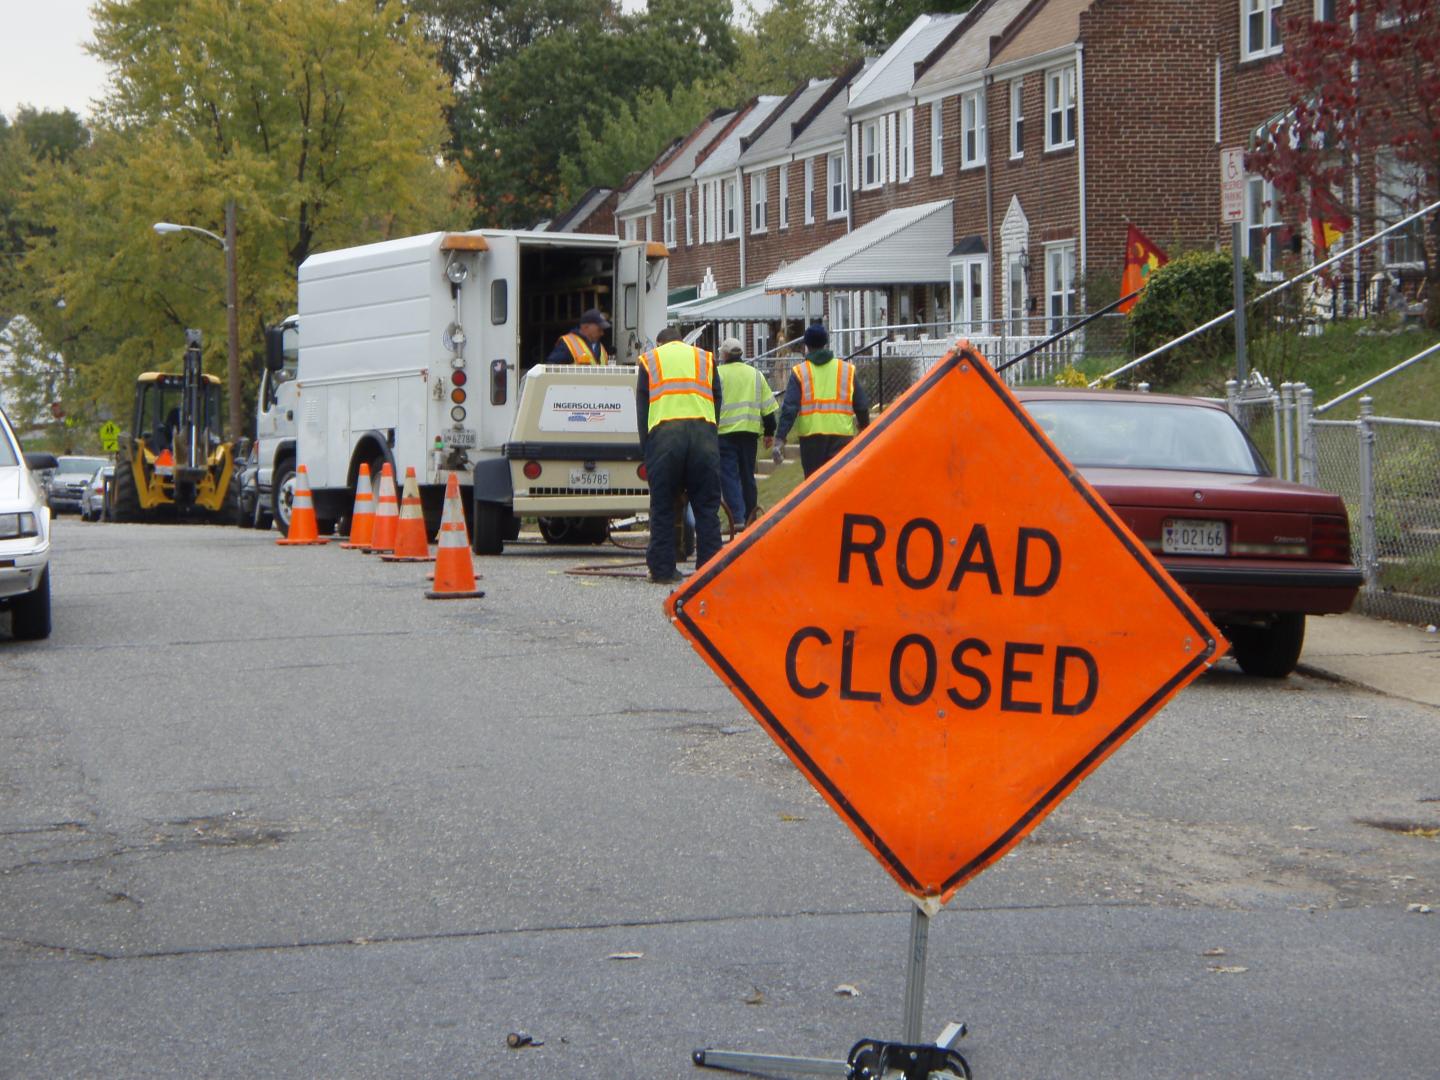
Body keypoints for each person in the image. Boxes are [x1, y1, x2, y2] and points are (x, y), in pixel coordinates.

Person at [635, 327, 724, 584]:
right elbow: (717, 398)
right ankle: (710, 571)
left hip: (665, 438)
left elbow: (643, 410)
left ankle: (663, 570)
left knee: (662, 506)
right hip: (703, 435)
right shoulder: (705, 358)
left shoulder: (650, 361)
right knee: (707, 507)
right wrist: (709, 430)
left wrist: (647, 449)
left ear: (661, 343)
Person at [771, 321, 870, 477]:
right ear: (825, 343)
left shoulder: (800, 372)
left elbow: (789, 408)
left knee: (814, 487)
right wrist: (864, 427)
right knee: (840, 483)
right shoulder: (846, 370)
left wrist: (780, 438)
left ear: (806, 345)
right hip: (841, 437)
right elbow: (862, 405)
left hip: (811, 440)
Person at [715, 336, 778, 529]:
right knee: (747, 476)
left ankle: (738, 519)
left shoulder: (717, 374)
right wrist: (769, 432)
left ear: (724, 354)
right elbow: (768, 409)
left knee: (729, 477)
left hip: (724, 433)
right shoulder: (755, 375)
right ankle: (751, 517)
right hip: (749, 434)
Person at [546, 308, 611, 365]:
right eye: (599, 329)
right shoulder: (569, 343)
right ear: (585, 327)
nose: (602, 333)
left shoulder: (601, 348)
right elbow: (551, 369)